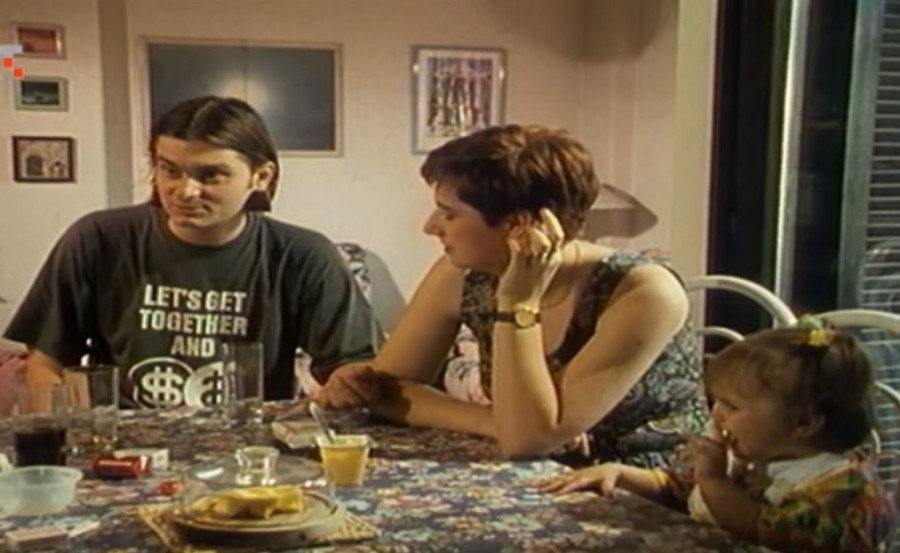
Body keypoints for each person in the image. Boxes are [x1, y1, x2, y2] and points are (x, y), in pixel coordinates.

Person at [315, 124, 704, 466]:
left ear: (519, 224)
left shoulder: (643, 294)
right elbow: (381, 391)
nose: (430, 227)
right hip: (529, 473)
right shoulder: (464, 273)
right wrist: (492, 422)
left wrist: (518, 303)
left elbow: (527, 440)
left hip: (639, 490)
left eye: (449, 214)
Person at [5, 96, 379, 409]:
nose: (184, 191)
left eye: (210, 175)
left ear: (260, 177)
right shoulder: (98, 239)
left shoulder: (304, 255)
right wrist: (65, 438)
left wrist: (344, 388)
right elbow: (46, 363)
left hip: (249, 448)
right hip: (124, 447)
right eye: (169, 170)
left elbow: (354, 369)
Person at [536, 326, 896, 552]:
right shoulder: (761, 457)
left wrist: (715, 481)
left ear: (802, 424)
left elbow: (765, 530)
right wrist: (621, 473)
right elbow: (681, 489)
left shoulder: (843, 492)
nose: (716, 414)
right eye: (717, 402)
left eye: (732, 406)